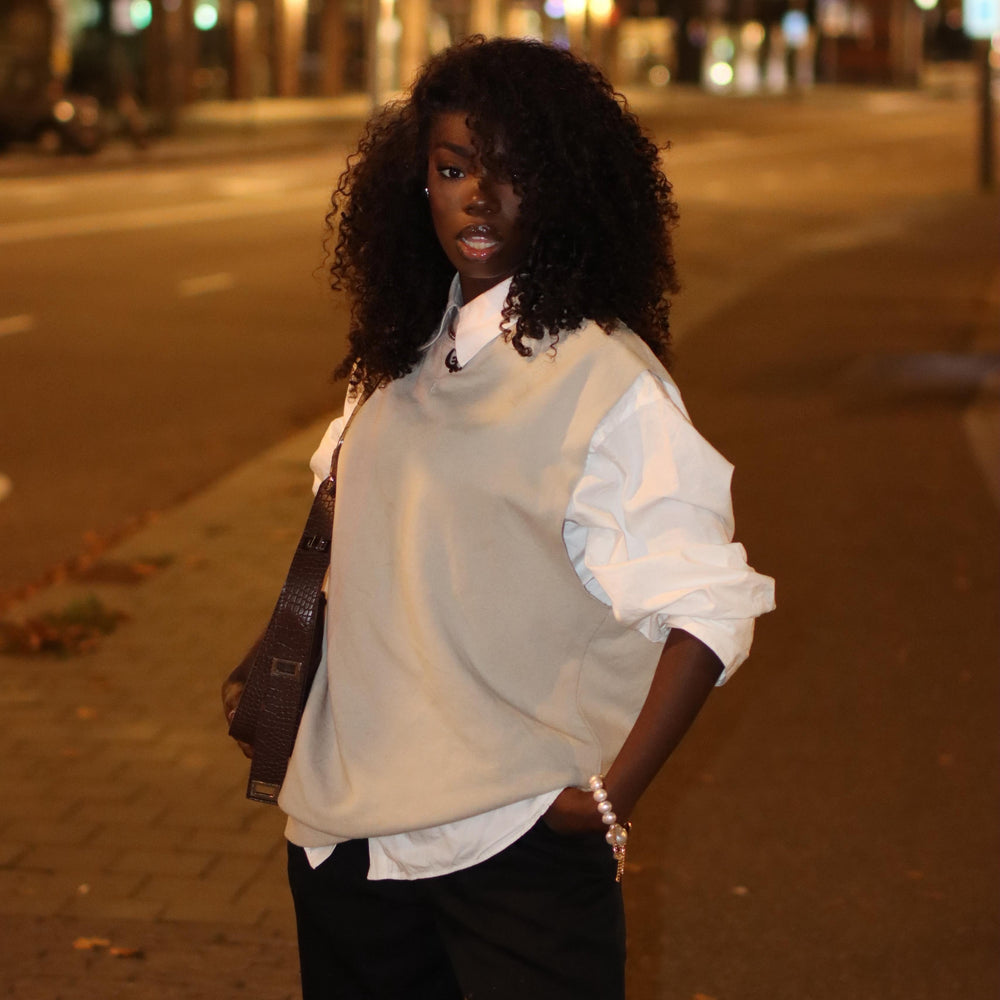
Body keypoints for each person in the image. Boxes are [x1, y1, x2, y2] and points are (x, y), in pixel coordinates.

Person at [224, 35, 774, 1000]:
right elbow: (362, 541)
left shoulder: (606, 381)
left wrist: (605, 799)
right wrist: (271, 664)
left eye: (516, 173)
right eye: (453, 169)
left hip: (511, 851)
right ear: (419, 185)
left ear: (565, 190)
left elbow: (709, 608)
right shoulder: (394, 361)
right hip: (348, 847)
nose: (480, 198)